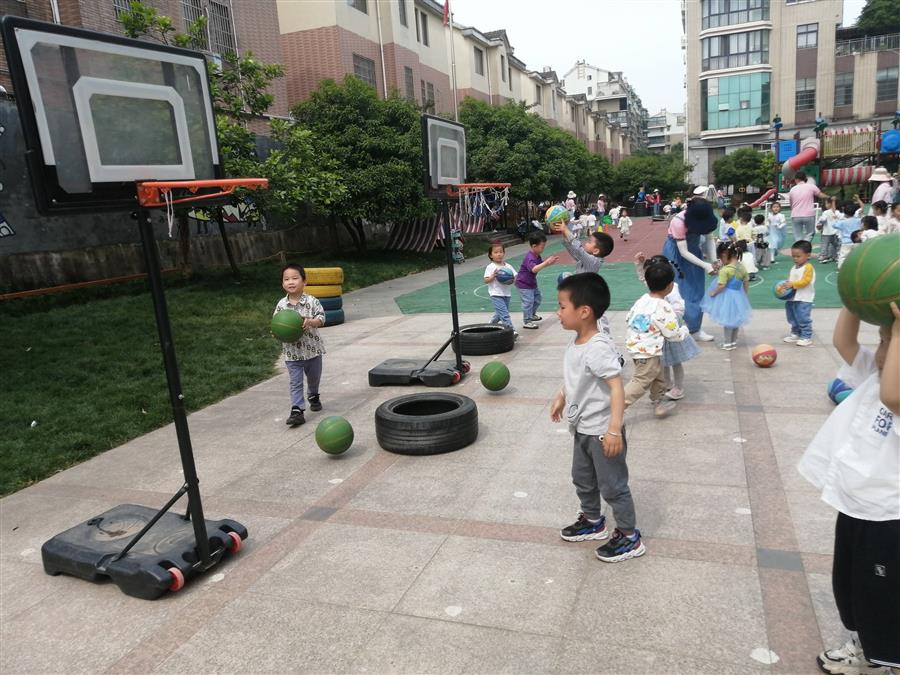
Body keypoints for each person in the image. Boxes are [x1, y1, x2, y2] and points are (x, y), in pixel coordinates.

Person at [797, 303, 899, 675]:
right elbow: (844, 342)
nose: (881, 352)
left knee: (883, 595)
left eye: (890, 344)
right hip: (856, 506)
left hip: (888, 516)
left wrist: (898, 332)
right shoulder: (876, 373)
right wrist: (853, 298)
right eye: (882, 341)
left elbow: (893, 397)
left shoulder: (893, 389)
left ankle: (887, 659)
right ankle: (865, 647)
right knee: (852, 585)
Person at [551, 273, 645, 562]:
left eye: (562, 306)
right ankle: (593, 521)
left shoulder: (598, 347)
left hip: (602, 431)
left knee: (613, 486)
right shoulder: (577, 342)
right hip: (582, 428)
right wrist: (561, 396)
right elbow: (578, 377)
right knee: (583, 478)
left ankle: (629, 537)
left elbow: (616, 387)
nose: (557, 312)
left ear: (584, 311)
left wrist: (614, 429)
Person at [623, 262, 690, 417]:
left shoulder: (642, 299)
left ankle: (659, 404)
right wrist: (685, 330)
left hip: (637, 346)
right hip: (648, 351)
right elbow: (673, 334)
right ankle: (617, 406)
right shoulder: (664, 307)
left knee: (658, 376)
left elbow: (629, 318)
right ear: (670, 286)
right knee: (641, 381)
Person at [634, 253, 699, 401]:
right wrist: (639, 265)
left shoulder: (672, 288)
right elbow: (645, 279)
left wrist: (669, 317)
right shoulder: (657, 284)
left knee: (675, 361)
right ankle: (667, 383)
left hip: (671, 329)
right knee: (663, 361)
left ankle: (678, 388)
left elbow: (679, 307)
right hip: (660, 330)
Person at [662, 185, 720, 341]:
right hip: (675, 255)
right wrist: (705, 265)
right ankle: (673, 328)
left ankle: (694, 329)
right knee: (675, 291)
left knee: (696, 290)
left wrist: (714, 261)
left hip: (694, 253)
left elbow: (709, 239)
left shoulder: (705, 216)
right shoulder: (679, 221)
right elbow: (683, 252)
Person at [274, 264, 326, 427]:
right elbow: (276, 323)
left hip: (312, 351)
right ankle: (297, 410)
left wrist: (311, 322)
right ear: (282, 283)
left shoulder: (312, 301)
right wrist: (276, 332)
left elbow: (322, 318)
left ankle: (313, 395)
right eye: (286, 279)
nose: (290, 282)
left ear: (304, 281)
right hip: (292, 354)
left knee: (314, 379)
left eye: (295, 278)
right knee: (295, 382)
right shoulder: (281, 305)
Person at [701, 240, 752, 351]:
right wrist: (744, 294)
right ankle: (733, 342)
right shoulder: (741, 267)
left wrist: (714, 292)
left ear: (725, 255)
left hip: (727, 298)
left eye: (720, 258)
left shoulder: (726, 270)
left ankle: (727, 343)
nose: (721, 261)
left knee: (727, 321)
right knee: (735, 321)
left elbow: (722, 285)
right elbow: (746, 282)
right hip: (738, 296)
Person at [515, 231, 559, 330]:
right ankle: (527, 321)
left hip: (531, 283)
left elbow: (540, 265)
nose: (543, 248)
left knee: (537, 299)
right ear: (534, 246)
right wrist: (546, 263)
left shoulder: (537, 256)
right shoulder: (530, 257)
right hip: (523, 284)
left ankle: (531, 314)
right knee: (528, 302)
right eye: (542, 246)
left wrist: (549, 263)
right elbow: (534, 269)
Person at [779, 240, 816, 347]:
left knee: (803, 317)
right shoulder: (794, 267)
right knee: (792, 316)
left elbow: (805, 281)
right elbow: (791, 280)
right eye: (793, 256)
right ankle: (795, 333)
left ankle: (806, 336)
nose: (795, 258)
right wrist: (785, 285)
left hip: (804, 298)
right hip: (792, 298)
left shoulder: (808, 267)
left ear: (808, 255)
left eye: (798, 256)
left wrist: (792, 284)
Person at [483, 241, 517, 335]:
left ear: (504, 253)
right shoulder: (491, 267)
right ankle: (511, 331)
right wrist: (493, 276)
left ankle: (491, 323)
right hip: (496, 294)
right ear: (491, 255)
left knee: (500, 313)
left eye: (501, 252)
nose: (499, 254)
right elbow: (486, 280)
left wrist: (514, 280)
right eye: (496, 252)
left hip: (506, 293)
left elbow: (515, 276)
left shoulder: (508, 266)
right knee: (505, 315)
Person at [788, 171, 826, 242]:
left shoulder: (792, 189)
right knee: (810, 233)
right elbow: (820, 195)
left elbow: (791, 203)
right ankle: (805, 245)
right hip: (809, 214)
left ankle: (799, 246)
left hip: (795, 215)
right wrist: (829, 197)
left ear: (796, 179)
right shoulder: (811, 186)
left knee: (797, 236)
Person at [834, 202, 861, 269]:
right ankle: (856, 268)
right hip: (857, 241)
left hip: (846, 242)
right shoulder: (858, 220)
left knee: (843, 256)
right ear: (854, 212)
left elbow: (834, 225)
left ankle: (841, 268)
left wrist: (836, 219)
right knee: (857, 256)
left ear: (844, 213)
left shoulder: (843, 222)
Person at [734, 206, 758, 280]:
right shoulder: (747, 225)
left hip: (745, 244)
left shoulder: (740, 226)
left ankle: (748, 270)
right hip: (746, 243)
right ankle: (750, 269)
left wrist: (754, 238)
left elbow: (737, 236)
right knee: (749, 256)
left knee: (746, 257)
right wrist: (754, 239)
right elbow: (754, 233)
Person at [817, 196, 841, 263]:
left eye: (826, 203)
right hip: (835, 232)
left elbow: (823, 220)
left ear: (830, 204)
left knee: (825, 244)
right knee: (835, 245)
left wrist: (819, 221)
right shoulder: (837, 212)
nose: (825, 205)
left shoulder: (826, 212)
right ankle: (835, 256)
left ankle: (823, 256)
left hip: (826, 232)